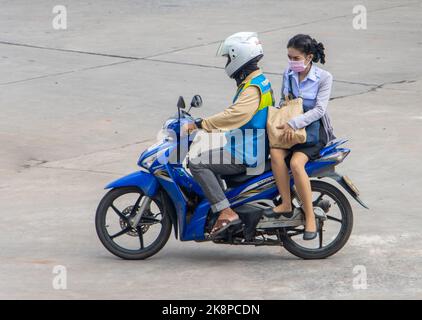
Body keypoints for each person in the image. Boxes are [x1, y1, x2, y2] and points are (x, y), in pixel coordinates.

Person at [183, 32, 274, 237]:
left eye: (229, 58)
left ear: (239, 56)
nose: (228, 62)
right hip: (247, 146)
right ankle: (219, 207)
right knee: (207, 160)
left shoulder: (252, 88)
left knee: (197, 163)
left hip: (245, 152)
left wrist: (200, 123)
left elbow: (235, 115)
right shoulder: (260, 81)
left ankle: (225, 211)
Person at [266, 34, 336, 240]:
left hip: (313, 132)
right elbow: (283, 101)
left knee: (296, 164)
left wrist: (294, 123)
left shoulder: (324, 78)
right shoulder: (287, 74)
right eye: (289, 57)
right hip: (290, 130)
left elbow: (320, 110)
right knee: (275, 154)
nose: (292, 62)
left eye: (296, 58)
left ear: (309, 57)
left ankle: (310, 217)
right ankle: (286, 204)